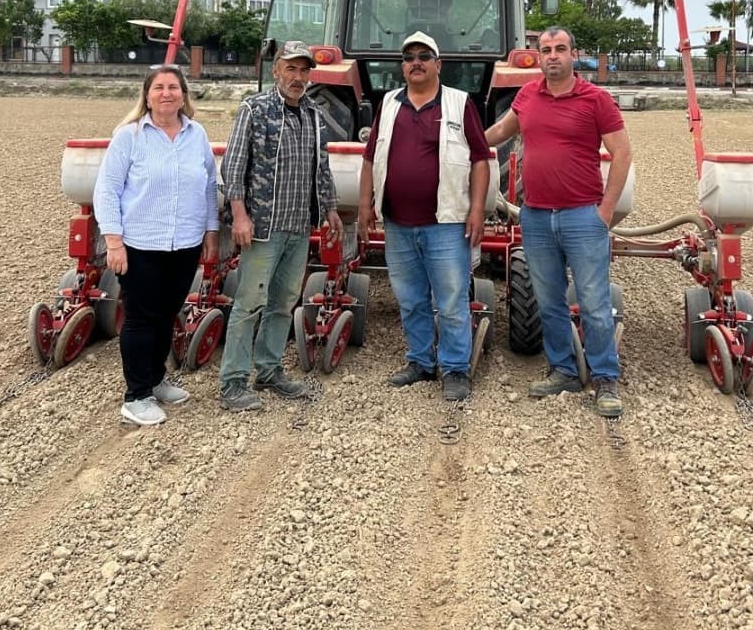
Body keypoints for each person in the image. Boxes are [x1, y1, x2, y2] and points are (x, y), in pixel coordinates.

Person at [484, 27, 632, 418]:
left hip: (583, 216)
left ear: (573, 55)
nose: (552, 56)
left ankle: (604, 379)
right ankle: (564, 370)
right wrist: (463, 141)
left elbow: (622, 153)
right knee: (549, 302)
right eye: (545, 50)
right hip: (535, 216)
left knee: (594, 303)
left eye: (560, 49)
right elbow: (502, 132)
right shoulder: (527, 95)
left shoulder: (596, 99)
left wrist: (605, 211)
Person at [358, 32, 491, 402]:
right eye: (409, 57)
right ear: (402, 66)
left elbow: (481, 160)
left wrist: (477, 209)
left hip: (446, 224)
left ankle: (455, 369)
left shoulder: (459, 103)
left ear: (438, 64)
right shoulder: (387, 103)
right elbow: (370, 158)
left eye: (423, 56)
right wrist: (367, 205)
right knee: (411, 299)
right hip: (398, 223)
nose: (415, 62)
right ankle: (420, 361)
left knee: (450, 301)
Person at [217, 41, 343, 411]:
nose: (298, 77)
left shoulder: (314, 114)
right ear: (276, 70)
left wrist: (331, 208)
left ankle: (269, 370)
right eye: (291, 69)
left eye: (304, 71)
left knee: (283, 302)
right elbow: (234, 166)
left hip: (299, 227)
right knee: (250, 302)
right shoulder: (254, 109)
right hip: (263, 227)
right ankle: (233, 382)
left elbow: (321, 168)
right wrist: (239, 215)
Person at [94, 64, 219, 426]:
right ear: (147, 96)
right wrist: (113, 242)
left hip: (185, 243)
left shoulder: (196, 134)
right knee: (140, 318)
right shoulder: (129, 136)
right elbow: (107, 190)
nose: (167, 93)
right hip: (140, 244)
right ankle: (136, 396)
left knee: (167, 314)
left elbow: (209, 187)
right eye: (159, 88)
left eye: (174, 87)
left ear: (184, 95)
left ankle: (157, 379)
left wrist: (211, 232)